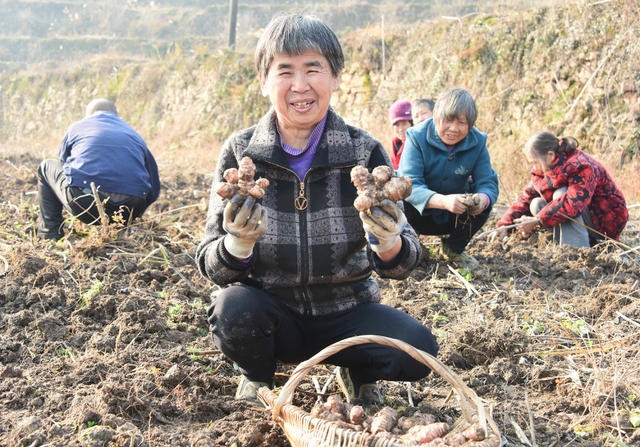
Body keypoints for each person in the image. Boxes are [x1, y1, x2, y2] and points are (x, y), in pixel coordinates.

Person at [196, 14, 439, 407]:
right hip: (273, 315)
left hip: (347, 315)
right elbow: (212, 264)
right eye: (285, 71)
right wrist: (238, 244)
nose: (300, 86)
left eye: (314, 69)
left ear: (336, 77)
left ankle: (358, 370)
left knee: (417, 349)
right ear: (263, 82)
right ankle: (257, 376)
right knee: (232, 307)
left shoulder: (364, 151)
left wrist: (390, 239)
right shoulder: (241, 154)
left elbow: (404, 263)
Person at [398, 88, 499, 269]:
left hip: (454, 215)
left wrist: (482, 200)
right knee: (399, 199)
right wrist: (443, 201)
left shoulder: (477, 142)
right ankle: (411, 247)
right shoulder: (416, 137)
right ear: (436, 117)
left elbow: (487, 181)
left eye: (461, 123)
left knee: (484, 204)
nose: (454, 128)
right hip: (419, 214)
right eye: (448, 121)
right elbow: (410, 184)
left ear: (470, 125)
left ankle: (453, 249)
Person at [36, 98, 161, 240]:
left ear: (88, 115)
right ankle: (120, 232)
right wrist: (134, 213)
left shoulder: (78, 127)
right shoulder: (134, 134)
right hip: (130, 208)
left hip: (85, 201)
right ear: (116, 115)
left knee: (46, 166)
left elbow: (64, 164)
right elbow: (154, 187)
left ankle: (49, 234)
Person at [494, 132, 628, 247]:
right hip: (587, 218)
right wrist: (504, 225)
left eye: (535, 162)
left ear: (550, 155)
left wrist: (537, 220)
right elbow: (526, 198)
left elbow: (572, 204)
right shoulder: (546, 167)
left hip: (605, 222)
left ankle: (576, 250)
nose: (534, 167)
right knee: (537, 203)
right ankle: (571, 243)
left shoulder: (581, 165)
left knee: (560, 194)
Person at [387, 99, 413, 170]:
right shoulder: (395, 144)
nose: (401, 129)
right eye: (397, 125)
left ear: (412, 123)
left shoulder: (415, 144)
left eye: (404, 124)